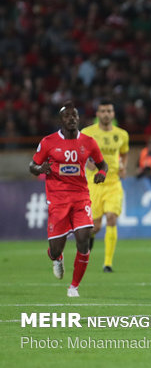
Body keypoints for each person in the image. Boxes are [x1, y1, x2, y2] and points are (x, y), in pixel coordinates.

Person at [29, 101, 108, 297]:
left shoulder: (89, 142)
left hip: (81, 198)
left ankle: (74, 287)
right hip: (58, 201)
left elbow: (103, 164)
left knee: (84, 238)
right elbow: (32, 165)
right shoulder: (48, 142)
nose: (72, 119)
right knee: (55, 249)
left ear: (79, 119)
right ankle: (56, 257)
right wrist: (40, 169)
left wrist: (102, 174)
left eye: (75, 116)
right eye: (67, 116)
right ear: (61, 120)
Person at [81, 99, 129, 273]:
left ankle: (107, 263)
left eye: (109, 111)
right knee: (95, 226)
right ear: (98, 114)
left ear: (113, 114)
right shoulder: (87, 133)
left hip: (113, 182)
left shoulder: (122, 134)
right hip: (94, 183)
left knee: (112, 218)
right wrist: (87, 162)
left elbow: (124, 153)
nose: (106, 114)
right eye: (103, 111)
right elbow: (78, 152)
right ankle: (91, 237)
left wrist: (123, 167)